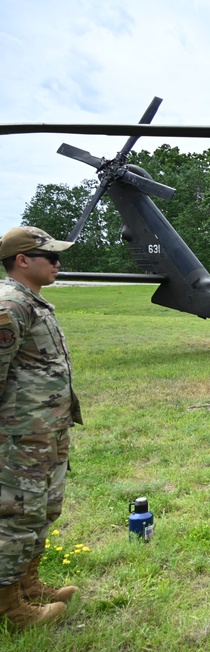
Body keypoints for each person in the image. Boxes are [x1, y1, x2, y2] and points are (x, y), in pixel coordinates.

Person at [0, 226, 81, 629]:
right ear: (22, 260)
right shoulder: (10, 305)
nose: (57, 262)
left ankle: (28, 585)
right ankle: (10, 607)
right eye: (49, 255)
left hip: (45, 431)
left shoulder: (33, 303)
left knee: (42, 510)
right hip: (20, 436)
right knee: (17, 516)